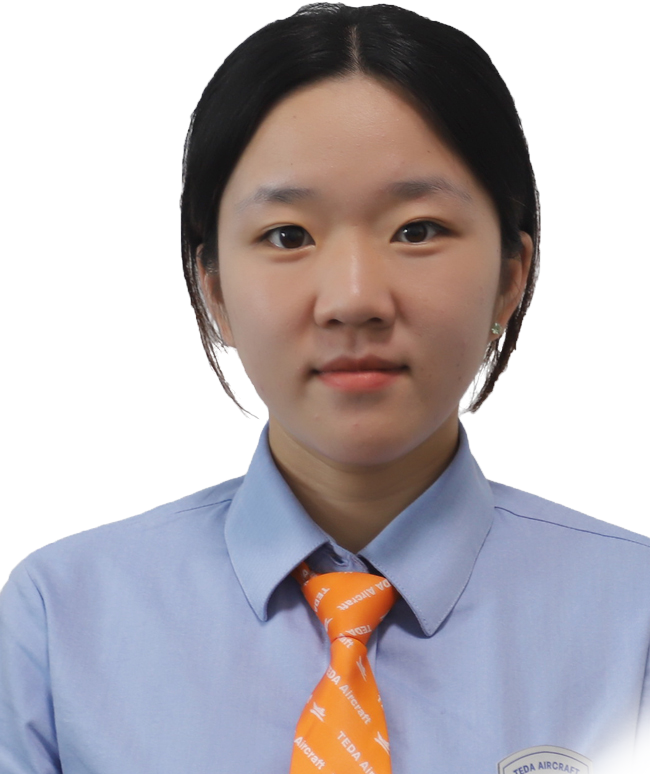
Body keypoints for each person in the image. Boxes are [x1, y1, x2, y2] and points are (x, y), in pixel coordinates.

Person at [1, 3, 648, 772]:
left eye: (417, 230)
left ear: (512, 274)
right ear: (213, 288)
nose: (353, 299)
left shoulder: (635, 618)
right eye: (288, 236)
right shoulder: (57, 620)